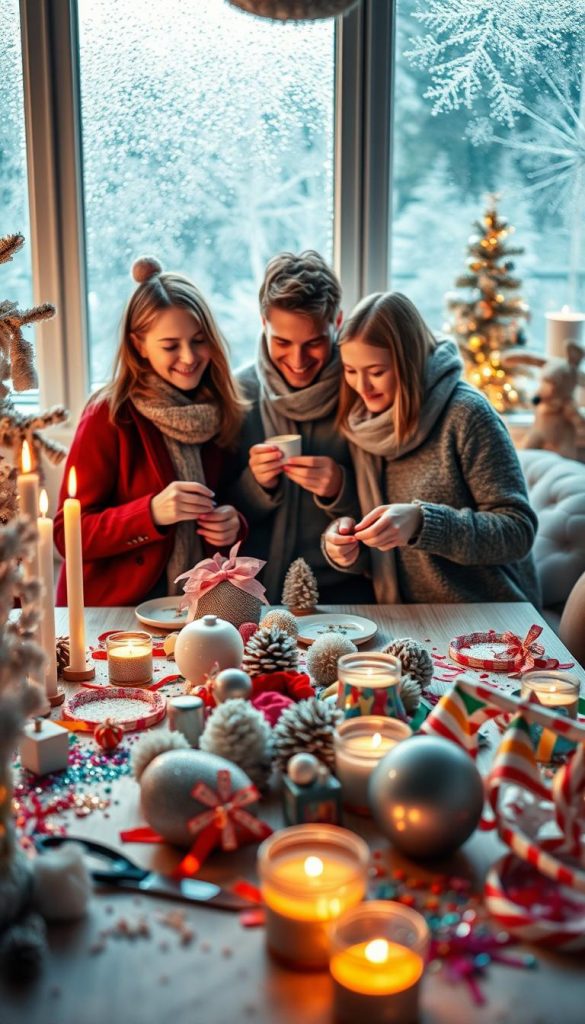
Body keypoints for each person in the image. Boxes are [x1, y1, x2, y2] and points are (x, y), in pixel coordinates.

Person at [323, 291, 540, 605]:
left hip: (490, 613)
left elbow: (517, 532)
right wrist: (343, 545)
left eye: (376, 372)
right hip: (410, 619)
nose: (362, 387)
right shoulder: (362, 423)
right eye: (351, 371)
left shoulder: (467, 415)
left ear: (409, 362)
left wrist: (422, 523)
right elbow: (378, 545)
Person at [54, 257, 248, 606]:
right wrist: (151, 513)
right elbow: (65, 534)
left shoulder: (221, 409)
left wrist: (235, 525)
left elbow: (231, 500)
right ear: (139, 344)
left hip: (199, 610)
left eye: (199, 340)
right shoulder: (109, 414)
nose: (189, 357)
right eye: (171, 346)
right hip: (116, 612)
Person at [228, 250, 374, 603]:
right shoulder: (238, 394)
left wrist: (340, 488)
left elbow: (389, 499)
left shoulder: (360, 387)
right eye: (282, 342)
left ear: (337, 322)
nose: (297, 360)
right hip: (255, 597)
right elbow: (220, 513)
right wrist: (256, 485)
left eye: (314, 343)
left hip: (348, 593)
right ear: (264, 323)